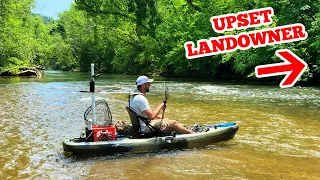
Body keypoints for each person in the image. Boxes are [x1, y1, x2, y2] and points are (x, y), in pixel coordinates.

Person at [129, 75, 193, 135]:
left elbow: (144, 114)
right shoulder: (140, 98)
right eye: (148, 84)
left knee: (166, 119)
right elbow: (151, 117)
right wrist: (160, 106)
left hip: (141, 127)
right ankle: (192, 134)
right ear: (143, 85)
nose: (150, 85)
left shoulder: (134, 97)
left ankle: (182, 129)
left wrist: (159, 116)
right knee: (173, 123)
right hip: (145, 129)